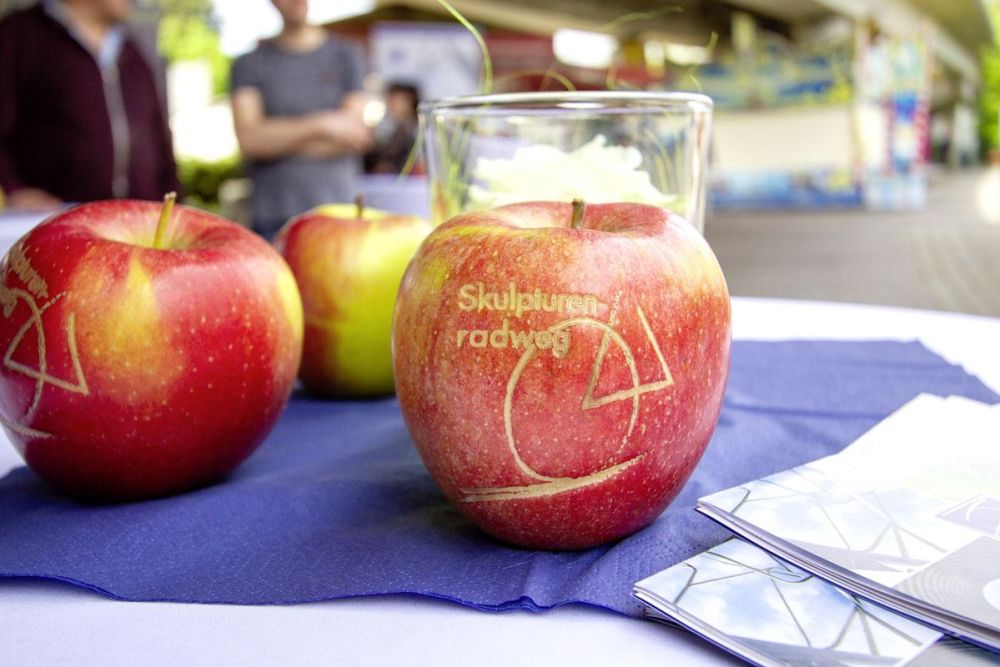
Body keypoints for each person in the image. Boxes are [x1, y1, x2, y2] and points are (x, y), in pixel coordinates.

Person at [0, 0, 180, 210]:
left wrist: (175, 205)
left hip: (138, 222)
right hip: (56, 223)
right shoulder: (21, 36)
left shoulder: (134, 51)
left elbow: (160, 140)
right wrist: (12, 189)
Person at [230, 0, 372, 238]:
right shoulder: (249, 64)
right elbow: (250, 141)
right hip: (272, 219)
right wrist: (325, 124)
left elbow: (353, 135)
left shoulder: (347, 55)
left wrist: (275, 138)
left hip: (340, 216)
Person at [365, 82, 420, 175]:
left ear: (410, 102)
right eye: (390, 99)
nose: (392, 104)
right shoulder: (390, 129)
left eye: (397, 100)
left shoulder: (416, 131)